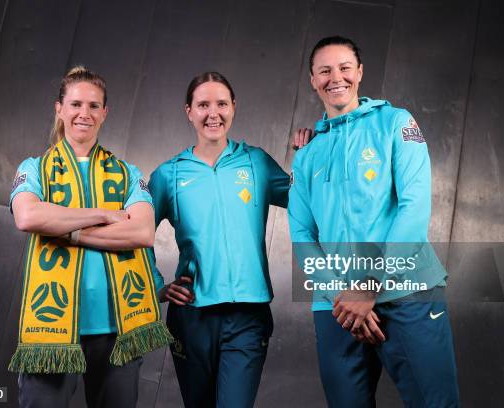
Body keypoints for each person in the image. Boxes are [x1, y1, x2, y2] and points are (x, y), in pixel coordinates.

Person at [288, 36, 460, 407]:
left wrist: (369, 286)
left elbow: (413, 207)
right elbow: (301, 233)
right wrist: (340, 295)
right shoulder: (307, 154)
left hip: (407, 295)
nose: (337, 77)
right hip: (337, 310)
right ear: (312, 79)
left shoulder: (396, 122)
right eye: (325, 70)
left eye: (345, 67)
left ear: (360, 72)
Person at [8, 66, 172, 408]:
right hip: (50, 331)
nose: (85, 113)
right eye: (76, 104)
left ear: (105, 113)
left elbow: (141, 232)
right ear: (60, 109)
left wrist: (66, 229)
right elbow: (28, 216)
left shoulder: (129, 173)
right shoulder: (34, 168)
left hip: (117, 328)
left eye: (94, 106)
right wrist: (103, 214)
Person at [148, 72, 290, 408]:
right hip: (192, 314)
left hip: (248, 314)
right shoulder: (169, 174)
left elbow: (308, 202)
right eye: (203, 105)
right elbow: (135, 236)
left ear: (233, 107)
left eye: (222, 103)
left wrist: (315, 152)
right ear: (189, 112)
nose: (214, 113)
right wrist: (155, 286)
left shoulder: (256, 162)